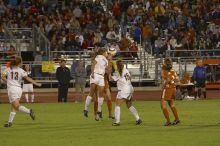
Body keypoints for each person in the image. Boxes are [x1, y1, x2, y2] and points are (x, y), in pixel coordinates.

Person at [1, 56, 41, 128]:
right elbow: (28, 78)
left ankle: (29, 111)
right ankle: (9, 122)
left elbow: (2, 76)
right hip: (19, 89)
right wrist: (36, 83)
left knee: (16, 105)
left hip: (12, 89)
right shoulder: (21, 70)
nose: (22, 63)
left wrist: (8, 81)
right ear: (18, 63)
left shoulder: (8, 69)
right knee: (14, 106)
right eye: (21, 62)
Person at [111, 60, 142, 126]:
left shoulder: (118, 72)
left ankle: (117, 122)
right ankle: (138, 119)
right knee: (129, 105)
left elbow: (112, 79)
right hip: (130, 88)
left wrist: (108, 73)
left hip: (124, 90)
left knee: (117, 104)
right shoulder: (126, 70)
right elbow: (130, 78)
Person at [84, 48, 108, 121]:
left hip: (101, 77)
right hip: (96, 75)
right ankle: (86, 109)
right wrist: (93, 73)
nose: (106, 53)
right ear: (103, 52)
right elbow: (93, 64)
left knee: (101, 94)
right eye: (106, 52)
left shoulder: (106, 60)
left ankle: (99, 110)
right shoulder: (98, 57)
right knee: (91, 92)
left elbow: (106, 69)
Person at [161, 58, 180, 126]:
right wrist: (172, 80)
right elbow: (177, 79)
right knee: (171, 104)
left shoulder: (164, 71)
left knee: (163, 105)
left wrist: (163, 85)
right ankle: (177, 119)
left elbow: (166, 80)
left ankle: (168, 121)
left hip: (168, 89)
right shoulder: (173, 70)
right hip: (173, 88)